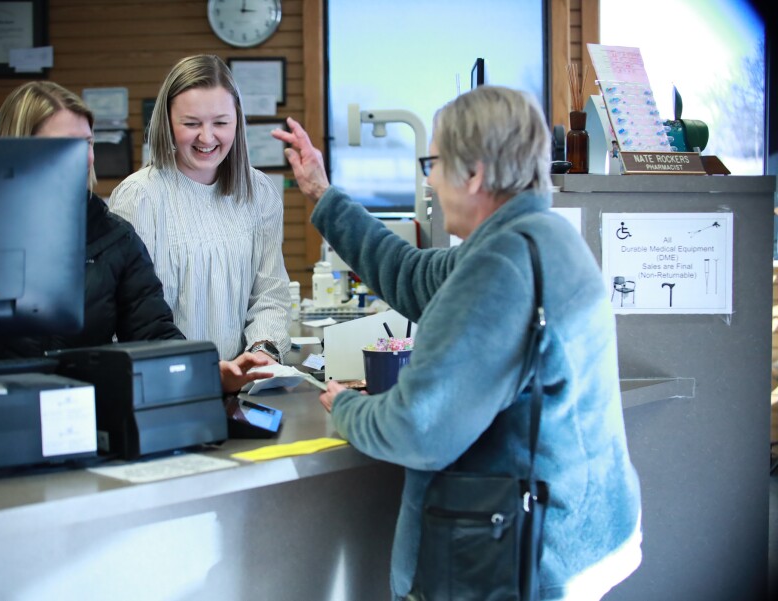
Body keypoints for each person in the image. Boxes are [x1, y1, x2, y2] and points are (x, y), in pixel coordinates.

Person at [272, 86, 642, 600]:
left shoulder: (500, 266)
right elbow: (409, 274)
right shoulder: (538, 236)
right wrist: (323, 195)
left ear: (475, 175)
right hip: (582, 527)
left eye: (434, 161)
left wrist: (349, 407)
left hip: (522, 557)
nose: (429, 178)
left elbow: (417, 429)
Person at [0, 81, 269, 393]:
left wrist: (209, 371)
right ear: (18, 149)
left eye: (87, 143)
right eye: (64, 144)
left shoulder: (115, 238)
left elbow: (152, 332)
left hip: (86, 414)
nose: (82, 157)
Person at [110, 55, 291, 366]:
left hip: (242, 382)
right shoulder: (139, 197)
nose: (207, 137)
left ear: (237, 121)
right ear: (167, 123)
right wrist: (202, 369)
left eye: (220, 123)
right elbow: (130, 315)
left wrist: (262, 352)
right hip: (166, 381)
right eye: (191, 123)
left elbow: (270, 293)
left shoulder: (258, 192)